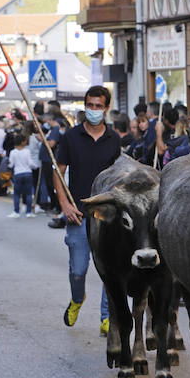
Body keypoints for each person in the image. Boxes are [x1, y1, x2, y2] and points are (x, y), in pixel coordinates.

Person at [54, 86, 119, 332]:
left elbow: (118, 175)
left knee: (109, 270)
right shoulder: (71, 137)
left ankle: (107, 317)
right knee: (78, 270)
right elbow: (58, 172)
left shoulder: (114, 139)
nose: (93, 110)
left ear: (106, 108)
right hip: (78, 214)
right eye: (90, 105)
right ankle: (77, 298)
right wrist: (65, 205)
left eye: (98, 106)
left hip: (107, 215)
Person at [7, 132, 36, 218]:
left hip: (18, 173)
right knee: (28, 193)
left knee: (16, 194)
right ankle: (28, 212)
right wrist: (35, 166)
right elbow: (30, 163)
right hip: (28, 173)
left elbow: (11, 165)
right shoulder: (27, 151)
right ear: (23, 142)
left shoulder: (13, 152)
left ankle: (16, 211)